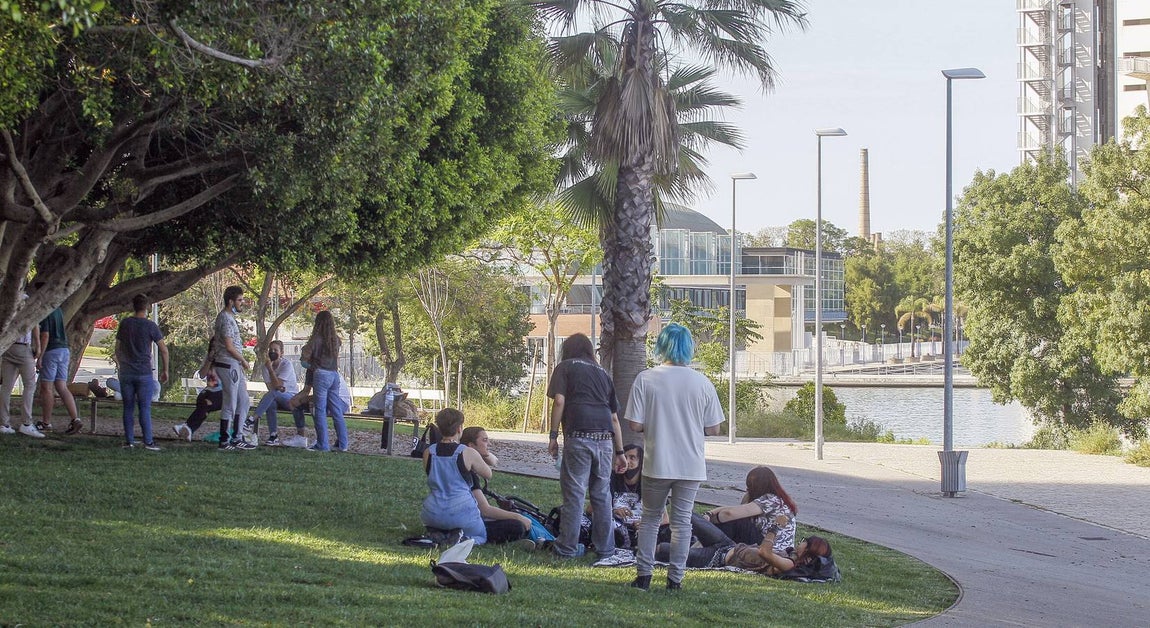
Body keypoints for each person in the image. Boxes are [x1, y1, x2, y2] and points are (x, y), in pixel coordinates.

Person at [625, 323, 724, 591]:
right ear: (689, 348)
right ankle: (675, 579)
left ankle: (644, 575)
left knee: (650, 518)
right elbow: (714, 428)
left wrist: (655, 424)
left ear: (662, 346)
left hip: (658, 461)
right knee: (682, 522)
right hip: (690, 465)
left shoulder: (646, 378)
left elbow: (634, 424)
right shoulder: (703, 383)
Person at [546, 333, 627, 559]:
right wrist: (620, 452)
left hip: (579, 435)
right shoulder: (603, 374)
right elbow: (614, 419)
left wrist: (553, 436)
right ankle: (606, 550)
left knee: (574, 494)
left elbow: (560, 401)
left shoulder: (565, 367)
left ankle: (567, 548)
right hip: (605, 439)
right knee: (602, 495)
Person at [656, 515, 834, 579]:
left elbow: (765, 552)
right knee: (689, 515)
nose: (801, 542)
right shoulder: (789, 554)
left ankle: (646, 544)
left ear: (808, 553)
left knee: (661, 550)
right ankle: (654, 527)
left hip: (716, 558)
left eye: (805, 541)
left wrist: (775, 528)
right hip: (727, 544)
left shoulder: (788, 565)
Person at [420, 408, 492, 544]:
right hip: (462, 512)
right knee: (482, 537)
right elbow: (488, 474)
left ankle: (440, 534)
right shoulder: (468, 452)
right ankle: (463, 539)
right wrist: (487, 456)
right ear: (460, 428)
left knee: (440, 523)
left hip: (432, 513)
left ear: (440, 428)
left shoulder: (428, 452)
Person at [696, 466, 798, 554]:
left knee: (734, 522)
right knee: (732, 521)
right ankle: (699, 549)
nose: (747, 489)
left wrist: (708, 522)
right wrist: (709, 514)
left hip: (773, 550)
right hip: (768, 544)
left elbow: (729, 514)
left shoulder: (770, 499)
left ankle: (698, 550)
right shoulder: (776, 499)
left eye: (750, 486)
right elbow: (734, 510)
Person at [460, 426, 533, 546]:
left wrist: (485, 453)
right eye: (484, 440)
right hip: (469, 524)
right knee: (517, 526)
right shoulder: (469, 473)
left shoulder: (462, 461)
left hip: (458, 519)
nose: (488, 443)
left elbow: (494, 461)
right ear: (471, 446)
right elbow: (485, 510)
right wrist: (517, 517)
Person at [115, 294, 170, 450]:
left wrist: (121, 364)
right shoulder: (150, 326)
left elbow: (117, 349)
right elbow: (164, 350)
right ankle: (148, 441)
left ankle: (129, 441)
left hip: (127, 371)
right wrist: (165, 369)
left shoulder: (125, 324)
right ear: (147, 308)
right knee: (145, 407)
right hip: (144, 371)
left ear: (133, 306)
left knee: (128, 407)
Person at [208, 286, 252, 451]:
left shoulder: (230, 318)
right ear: (231, 301)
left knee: (244, 399)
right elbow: (228, 345)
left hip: (235, 364)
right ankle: (225, 440)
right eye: (240, 300)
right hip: (228, 363)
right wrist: (243, 360)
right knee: (230, 401)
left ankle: (237, 436)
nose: (242, 303)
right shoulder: (225, 318)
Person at [35, 292, 83, 435]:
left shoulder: (45, 311)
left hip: (51, 351)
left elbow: (45, 335)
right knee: (62, 386)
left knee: (46, 388)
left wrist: (40, 356)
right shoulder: (58, 310)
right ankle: (75, 418)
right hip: (64, 349)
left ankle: (46, 422)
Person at [300, 310, 347, 452]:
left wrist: (310, 365)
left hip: (321, 374)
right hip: (334, 375)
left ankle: (322, 444)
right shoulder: (336, 341)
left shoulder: (316, 339)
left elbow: (304, 361)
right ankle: (343, 444)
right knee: (336, 410)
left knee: (319, 410)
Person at [1, 291, 44, 438]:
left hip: (8, 345)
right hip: (22, 346)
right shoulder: (26, 300)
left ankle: (4, 423)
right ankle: (26, 422)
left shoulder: (6, 299)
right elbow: (34, 323)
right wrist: (38, 346)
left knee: (6, 387)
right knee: (30, 385)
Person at [247, 339, 302, 446]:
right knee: (271, 402)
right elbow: (271, 387)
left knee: (274, 393)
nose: (272, 352)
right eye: (270, 349)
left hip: (291, 398)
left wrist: (271, 370)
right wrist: (269, 370)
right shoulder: (265, 367)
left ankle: (252, 419)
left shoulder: (286, 365)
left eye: (275, 350)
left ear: (281, 353)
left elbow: (276, 386)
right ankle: (273, 435)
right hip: (275, 397)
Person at [172, 370, 223, 441]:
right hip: (213, 392)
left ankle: (188, 427)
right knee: (204, 407)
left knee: (205, 407)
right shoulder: (214, 366)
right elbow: (207, 379)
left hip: (216, 393)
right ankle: (188, 428)